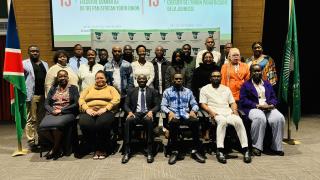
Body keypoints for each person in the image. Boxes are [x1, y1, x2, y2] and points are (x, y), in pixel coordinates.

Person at [200, 71, 251, 164]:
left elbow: (232, 102)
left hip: (228, 112)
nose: (216, 78)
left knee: (239, 121)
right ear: (210, 78)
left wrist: (235, 111)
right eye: (214, 76)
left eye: (218, 76)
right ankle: (220, 150)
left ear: (221, 78)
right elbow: (203, 104)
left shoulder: (226, 89)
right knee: (222, 122)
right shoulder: (204, 89)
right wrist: (211, 112)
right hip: (215, 113)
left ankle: (245, 149)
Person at [239, 64, 285, 156]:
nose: (257, 73)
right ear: (251, 73)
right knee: (260, 118)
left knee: (279, 118)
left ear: (262, 72)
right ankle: (257, 147)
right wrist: (257, 105)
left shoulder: (267, 84)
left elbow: (273, 97)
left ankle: (276, 147)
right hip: (253, 107)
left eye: (259, 71)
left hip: (268, 107)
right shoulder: (245, 85)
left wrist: (271, 105)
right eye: (255, 71)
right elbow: (243, 100)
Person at [161, 73, 205, 165]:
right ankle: (174, 151)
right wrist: (169, 112)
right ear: (173, 80)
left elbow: (195, 104)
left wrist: (193, 110)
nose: (178, 80)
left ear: (183, 80)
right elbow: (163, 106)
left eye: (180, 79)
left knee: (195, 122)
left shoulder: (188, 91)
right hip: (174, 115)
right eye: (176, 79)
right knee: (173, 124)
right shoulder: (167, 91)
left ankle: (195, 150)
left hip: (185, 115)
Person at [78, 70, 120, 159]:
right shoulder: (89, 88)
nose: (99, 80)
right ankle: (91, 146)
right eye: (97, 78)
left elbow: (117, 99)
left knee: (101, 124)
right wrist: (87, 109)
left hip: (106, 111)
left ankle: (102, 148)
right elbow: (81, 99)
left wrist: (106, 108)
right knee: (84, 123)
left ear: (106, 79)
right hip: (90, 111)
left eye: (102, 78)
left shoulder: (111, 88)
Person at [39, 70, 79, 160]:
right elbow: (46, 104)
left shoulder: (73, 88)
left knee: (56, 127)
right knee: (42, 128)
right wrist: (52, 110)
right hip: (52, 112)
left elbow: (76, 104)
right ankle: (58, 147)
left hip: (67, 112)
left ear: (68, 77)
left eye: (65, 76)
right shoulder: (53, 88)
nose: (63, 78)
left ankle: (54, 149)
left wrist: (61, 110)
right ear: (57, 78)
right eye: (60, 76)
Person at [122, 75, 160, 164]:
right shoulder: (131, 91)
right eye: (140, 79)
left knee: (149, 121)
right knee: (128, 121)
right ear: (137, 81)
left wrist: (152, 111)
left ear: (147, 80)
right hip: (136, 114)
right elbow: (126, 105)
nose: (142, 80)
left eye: (143, 79)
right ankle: (127, 151)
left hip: (147, 113)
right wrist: (129, 112)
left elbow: (157, 105)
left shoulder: (153, 91)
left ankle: (150, 151)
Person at [23, 45, 49, 150]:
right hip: (32, 95)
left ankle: (41, 139)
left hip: (43, 95)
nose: (35, 53)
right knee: (31, 119)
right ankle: (31, 141)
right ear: (28, 52)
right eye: (32, 51)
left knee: (41, 119)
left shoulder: (45, 64)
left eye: (36, 51)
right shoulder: (24, 64)